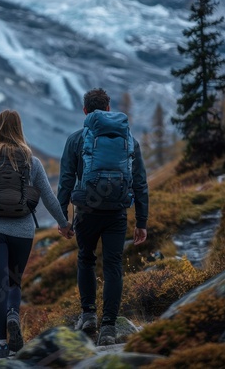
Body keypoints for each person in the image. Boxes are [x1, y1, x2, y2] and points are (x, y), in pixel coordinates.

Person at [0, 110, 73, 358]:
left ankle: (1, 345)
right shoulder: (31, 162)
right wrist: (64, 224)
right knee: (14, 281)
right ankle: (13, 313)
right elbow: (49, 198)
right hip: (22, 232)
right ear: (19, 129)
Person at [57, 88, 149, 345]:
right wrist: (142, 221)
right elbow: (140, 183)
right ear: (109, 109)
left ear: (85, 111)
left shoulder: (76, 140)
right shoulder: (129, 140)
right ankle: (108, 327)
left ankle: (88, 315)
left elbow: (65, 181)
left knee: (85, 259)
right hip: (116, 212)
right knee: (113, 266)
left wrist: (62, 218)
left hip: (86, 211)